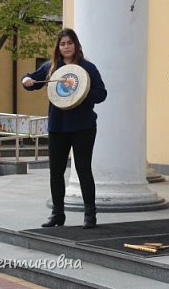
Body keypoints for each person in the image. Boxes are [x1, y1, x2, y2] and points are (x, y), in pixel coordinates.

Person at [22, 28, 107, 229]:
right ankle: (57, 214)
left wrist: (82, 91)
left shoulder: (87, 68)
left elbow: (102, 94)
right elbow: (30, 80)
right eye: (62, 44)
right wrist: (26, 81)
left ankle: (90, 215)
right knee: (56, 171)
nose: (66, 47)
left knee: (83, 169)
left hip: (83, 127)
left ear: (76, 45)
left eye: (70, 43)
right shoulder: (52, 68)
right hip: (58, 126)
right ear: (58, 48)